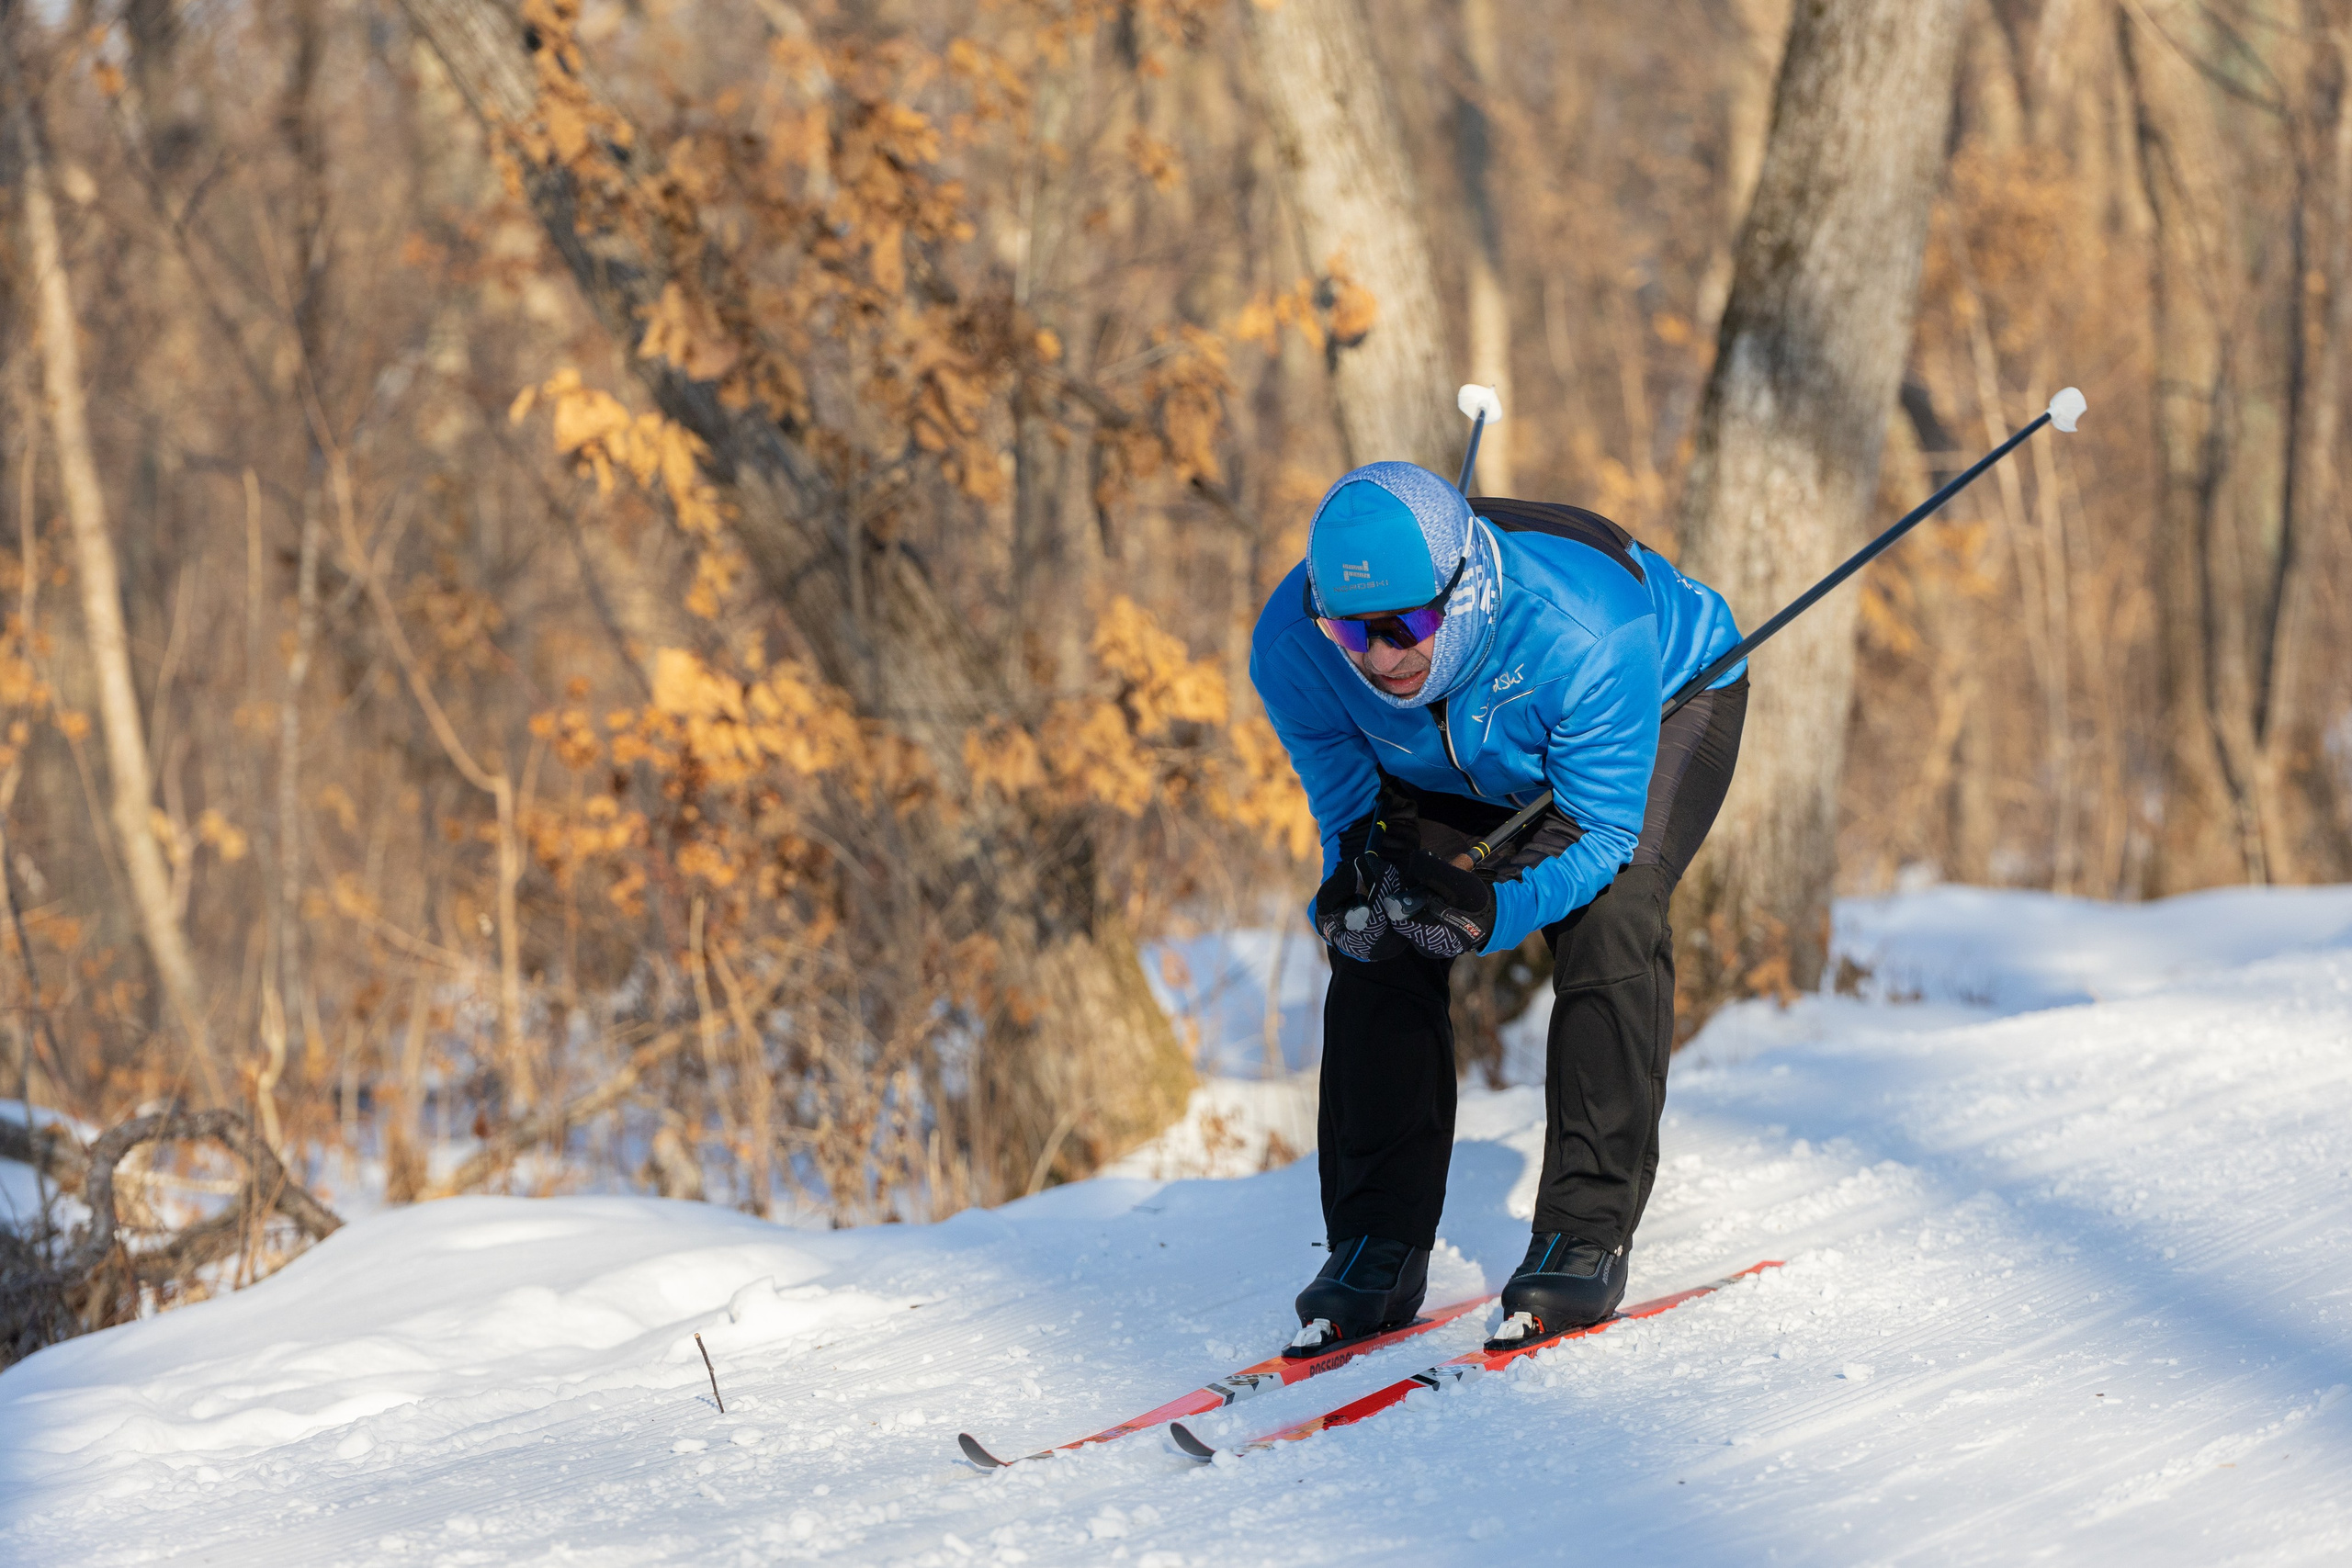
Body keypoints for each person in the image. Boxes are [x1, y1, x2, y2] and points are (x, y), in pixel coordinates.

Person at [1250, 459, 1748, 1352]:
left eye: (1403, 625)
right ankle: (1374, 1243)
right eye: (1350, 632)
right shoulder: (1292, 649)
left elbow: (1597, 834)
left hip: (1663, 700)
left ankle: (1584, 1232)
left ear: (1462, 592)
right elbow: (1348, 812)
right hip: (1456, 753)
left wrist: (1490, 910)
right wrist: (1357, 883)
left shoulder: (1588, 630)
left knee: (1614, 916)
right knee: (1379, 931)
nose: (1380, 658)